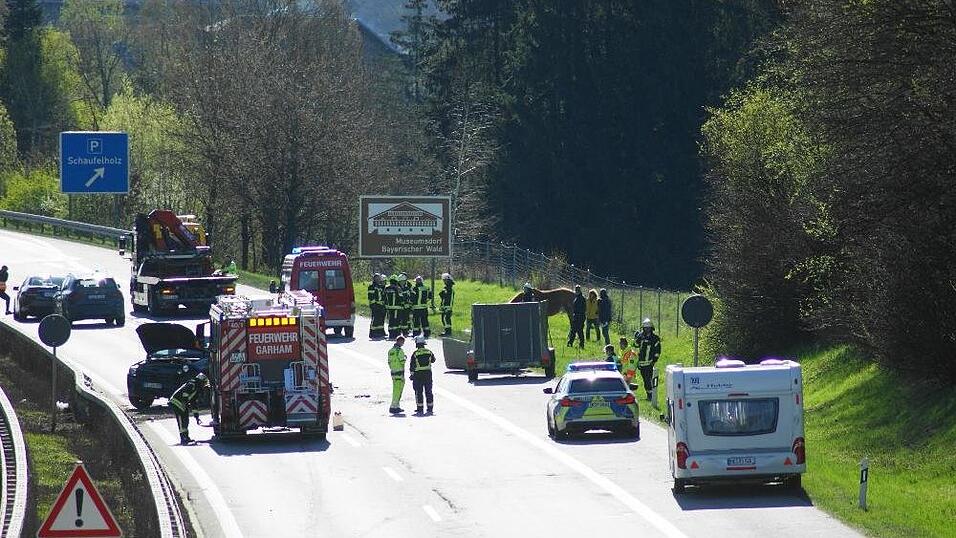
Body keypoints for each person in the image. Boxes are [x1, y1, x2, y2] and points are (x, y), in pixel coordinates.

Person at [169, 373, 209, 444]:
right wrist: (184, 403)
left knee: (186, 420)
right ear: (201, 381)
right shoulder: (192, 384)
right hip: (176, 402)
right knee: (181, 420)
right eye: (204, 383)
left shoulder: (197, 389)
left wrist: (196, 416)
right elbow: (185, 393)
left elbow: (193, 403)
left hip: (183, 404)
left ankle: (186, 437)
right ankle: (183, 438)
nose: (204, 385)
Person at [634, 318, 662, 400]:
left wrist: (654, 361)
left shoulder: (655, 338)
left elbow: (658, 351)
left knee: (648, 379)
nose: (647, 329)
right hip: (641, 363)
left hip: (649, 363)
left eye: (648, 328)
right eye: (645, 328)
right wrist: (636, 337)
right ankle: (649, 395)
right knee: (645, 380)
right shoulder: (641, 336)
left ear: (651, 328)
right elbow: (635, 345)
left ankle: (651, 396)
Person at [409, 335, 436, 414]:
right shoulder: (429, 352)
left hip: (418, 375)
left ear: (417, 344)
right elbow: (433, 360)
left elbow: (412, 366)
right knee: (429, 391)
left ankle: (420, 408)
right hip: (428, 374)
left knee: (419, 392)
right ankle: (430, 408)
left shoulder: (415, 353)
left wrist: (412, 375)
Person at [388, 335, 407, 414]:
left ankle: (396, 406)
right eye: (403, 342)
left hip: (393, 372)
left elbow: (389, 362)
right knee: (398, 391)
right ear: (400, 341)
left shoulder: (391, 351)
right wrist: (405, 357)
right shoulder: (400, 351)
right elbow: (402, 361)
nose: (403, 343)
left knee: (395, 390)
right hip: (399, 373)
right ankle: (394, 406)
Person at [368, 273, 386, 338]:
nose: (378, 279)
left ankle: (379, 332)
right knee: (374, 319)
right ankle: (372, 333)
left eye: (379, 278)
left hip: (381, 305)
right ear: (374, 278)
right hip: (375, 305)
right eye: (377, 278)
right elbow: (371, 296)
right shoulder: (371, 286)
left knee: (380, 319)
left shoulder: (379, 286)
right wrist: (373, 304)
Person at [384, 274, 401, 339]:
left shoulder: (386, 288)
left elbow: (384, 297)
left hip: (389, 308)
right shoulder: (397, 288)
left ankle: (391, 334)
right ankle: (396, 334)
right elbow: (401, 297)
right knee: (396, 321)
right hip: (397, 308)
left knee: (390, 321)